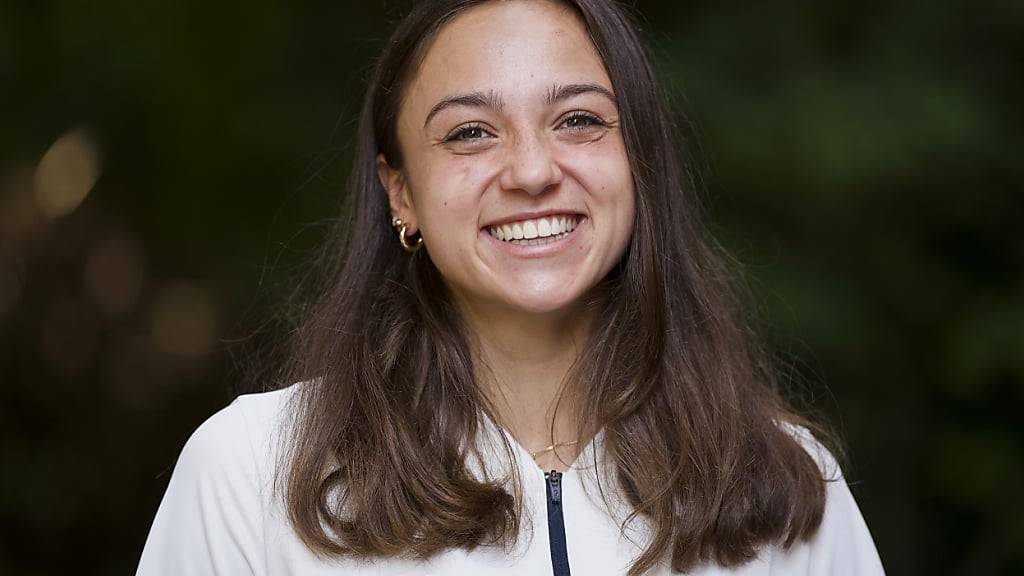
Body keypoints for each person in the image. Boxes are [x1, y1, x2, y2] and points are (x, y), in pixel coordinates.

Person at [136, 0, 885, 574]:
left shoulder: (788, 486)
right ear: (401, 193)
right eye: (470, 132)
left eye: (579, 120)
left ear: (640, 162)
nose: (531, 171)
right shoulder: (253, 474)